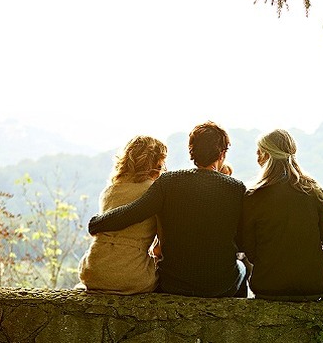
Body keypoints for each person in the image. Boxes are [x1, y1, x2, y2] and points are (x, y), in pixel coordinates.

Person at [88, 121, 248, 298]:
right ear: (222, 153)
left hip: (173, 283)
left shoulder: (168, 182)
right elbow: (243, 241)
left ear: (191, 152)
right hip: (219, 284)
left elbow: (133, 213)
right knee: (241, 268)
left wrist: (96, 223)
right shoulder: (237, 188)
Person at [237, 129, 323, 301]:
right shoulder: (313, 190)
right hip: (314, 286)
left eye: (258, 152)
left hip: (268, 286)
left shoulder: (253, 196)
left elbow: (250, 250)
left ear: (265, 155)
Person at [78, 135, 167, 294]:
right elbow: (163, 242)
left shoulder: (109, 191)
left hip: (93, 271)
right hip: (131, 276)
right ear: (157, 163)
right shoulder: (155, 192)